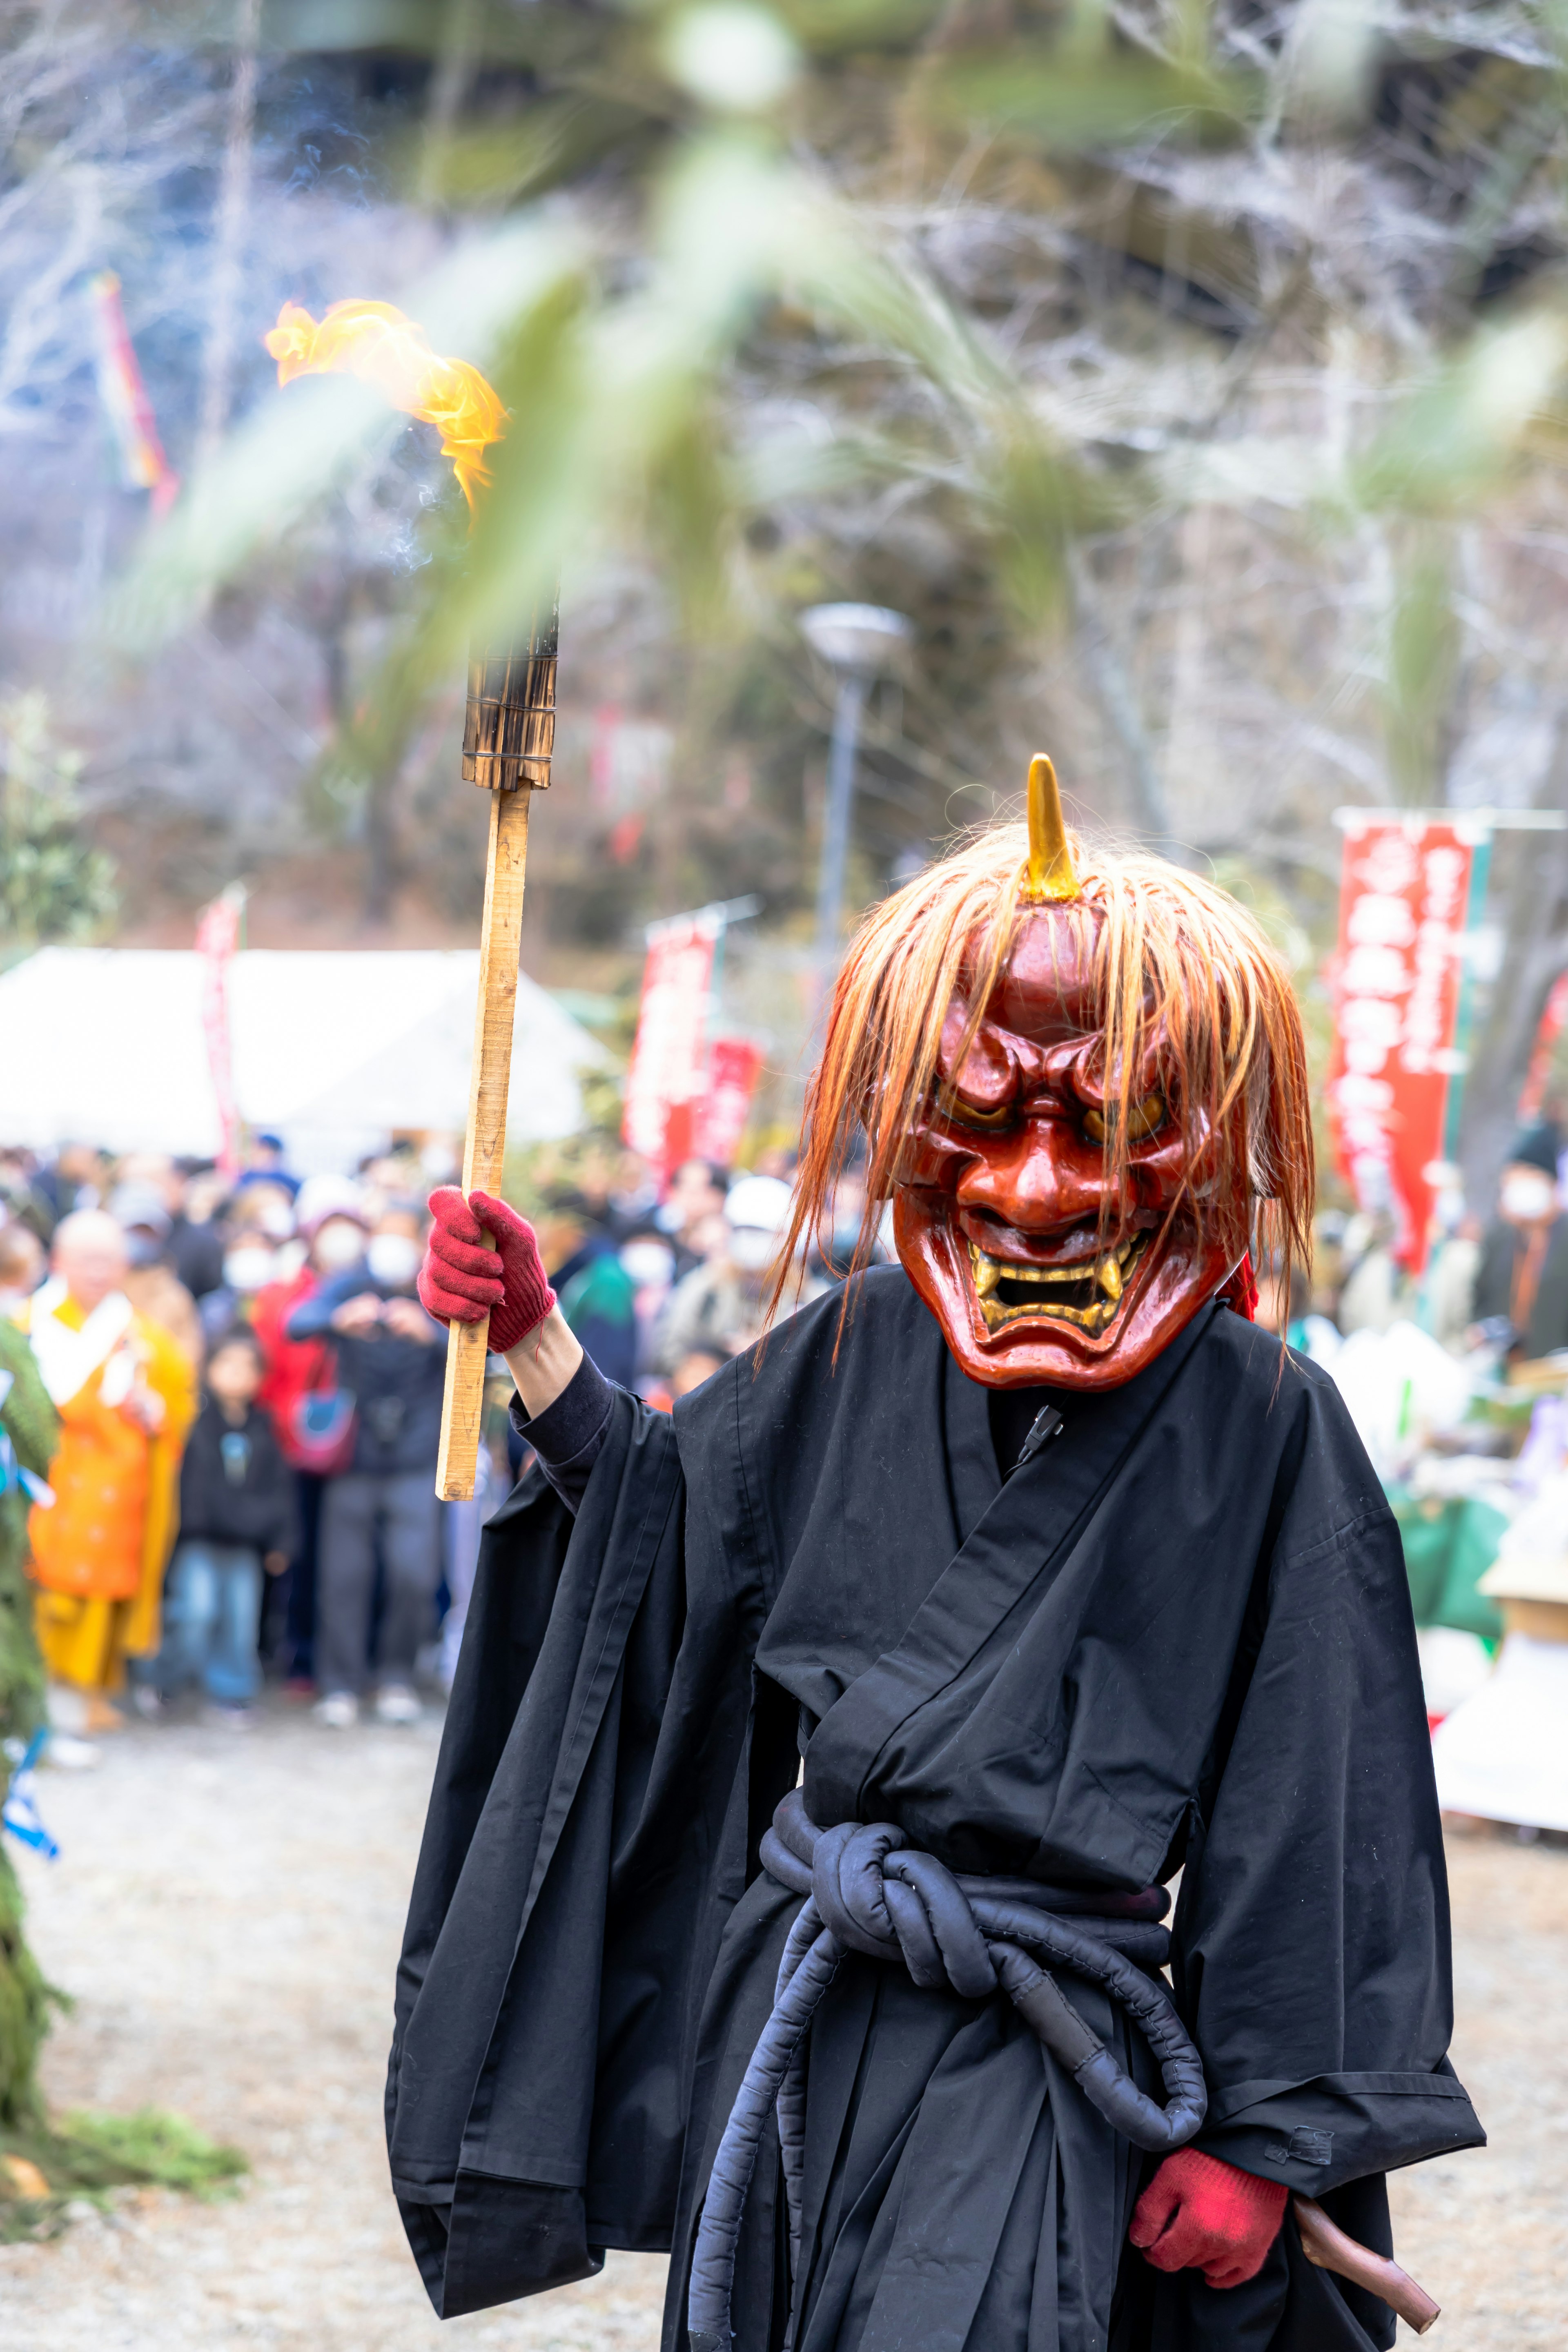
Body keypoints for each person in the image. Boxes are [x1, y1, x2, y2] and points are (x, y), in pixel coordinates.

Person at [396, 777, 1479, 2350]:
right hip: (800, 2013)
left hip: (1039, 2053)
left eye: (1101, 1126)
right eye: (983, 1119)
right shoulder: (843, 1350)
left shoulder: (1265, 1423)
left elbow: (1321, 1802)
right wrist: (535, 1338)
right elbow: (668, 1542)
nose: (1038, 1189)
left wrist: (1259, 2137)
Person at [14, 1210, 195, 1732]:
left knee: (95, 1607)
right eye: (86, 1260)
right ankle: (29, 1704)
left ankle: (76, 1703)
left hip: (114, 1498)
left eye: (109, 1260)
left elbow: (178, 1405)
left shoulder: (145, 1337)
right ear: (57, 1262)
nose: (98, 1271)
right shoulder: (24, 1325)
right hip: (44, 1492)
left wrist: (157, 1411)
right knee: (31, 1596)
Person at [286, 1201, 444, 1729]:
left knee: (412, 1574)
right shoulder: (349, 1284)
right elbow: (297, 1322)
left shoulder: (439, 1286)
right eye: (386, 1235)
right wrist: (339, 1317)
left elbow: (486, 1348)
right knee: (344, 1577)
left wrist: (430, 1331)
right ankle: (340, 1683)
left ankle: (396, 1676)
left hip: (418, 1455)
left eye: (405, 1236)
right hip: (351, 1454)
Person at [252, 1177, 367, 1688]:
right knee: (294, 1551)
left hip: (359, 1449)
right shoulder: (281, 1295)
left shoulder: (380, 1290)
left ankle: (334, 1660)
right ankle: (292, 1654)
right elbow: (266, 1367)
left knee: (342, 1558)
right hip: (291, 1445)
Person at [156, 1327, 297, 1724]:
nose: (236, 1374)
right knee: (195, 1611)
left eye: (247, 1366)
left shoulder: (265, 1429)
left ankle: (232, 1690)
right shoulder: (195, 1421)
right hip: (197, 1540)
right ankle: (165, 1678)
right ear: (209, 1369)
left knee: (240, 1619)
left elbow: (280, 1490)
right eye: (227, 1364)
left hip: (246, 1545)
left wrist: (280, 1540)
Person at [654, 1172, 795, 1371]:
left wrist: (768, 1357)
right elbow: (669, 1348)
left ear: (785, 1235)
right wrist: (707, 1366)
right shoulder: (704, 1286)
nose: (749, 1239)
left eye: (760, 1232)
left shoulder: (809, 1295)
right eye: (742, 1230)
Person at [1472, 1125, 1568, 1359]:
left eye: (1528, 1175)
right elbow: (1480, 1298)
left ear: (1550, 1182)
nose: (1517, 1186)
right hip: (1503, 1370)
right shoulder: (1499, 1238)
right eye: (1512, 1177)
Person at [109, 1182, 205, 1372]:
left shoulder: (173, 1295)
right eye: (134, 1230)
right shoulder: (97, 1285)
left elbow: (189, 1359)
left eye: (148, 1231)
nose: (140, 1238)